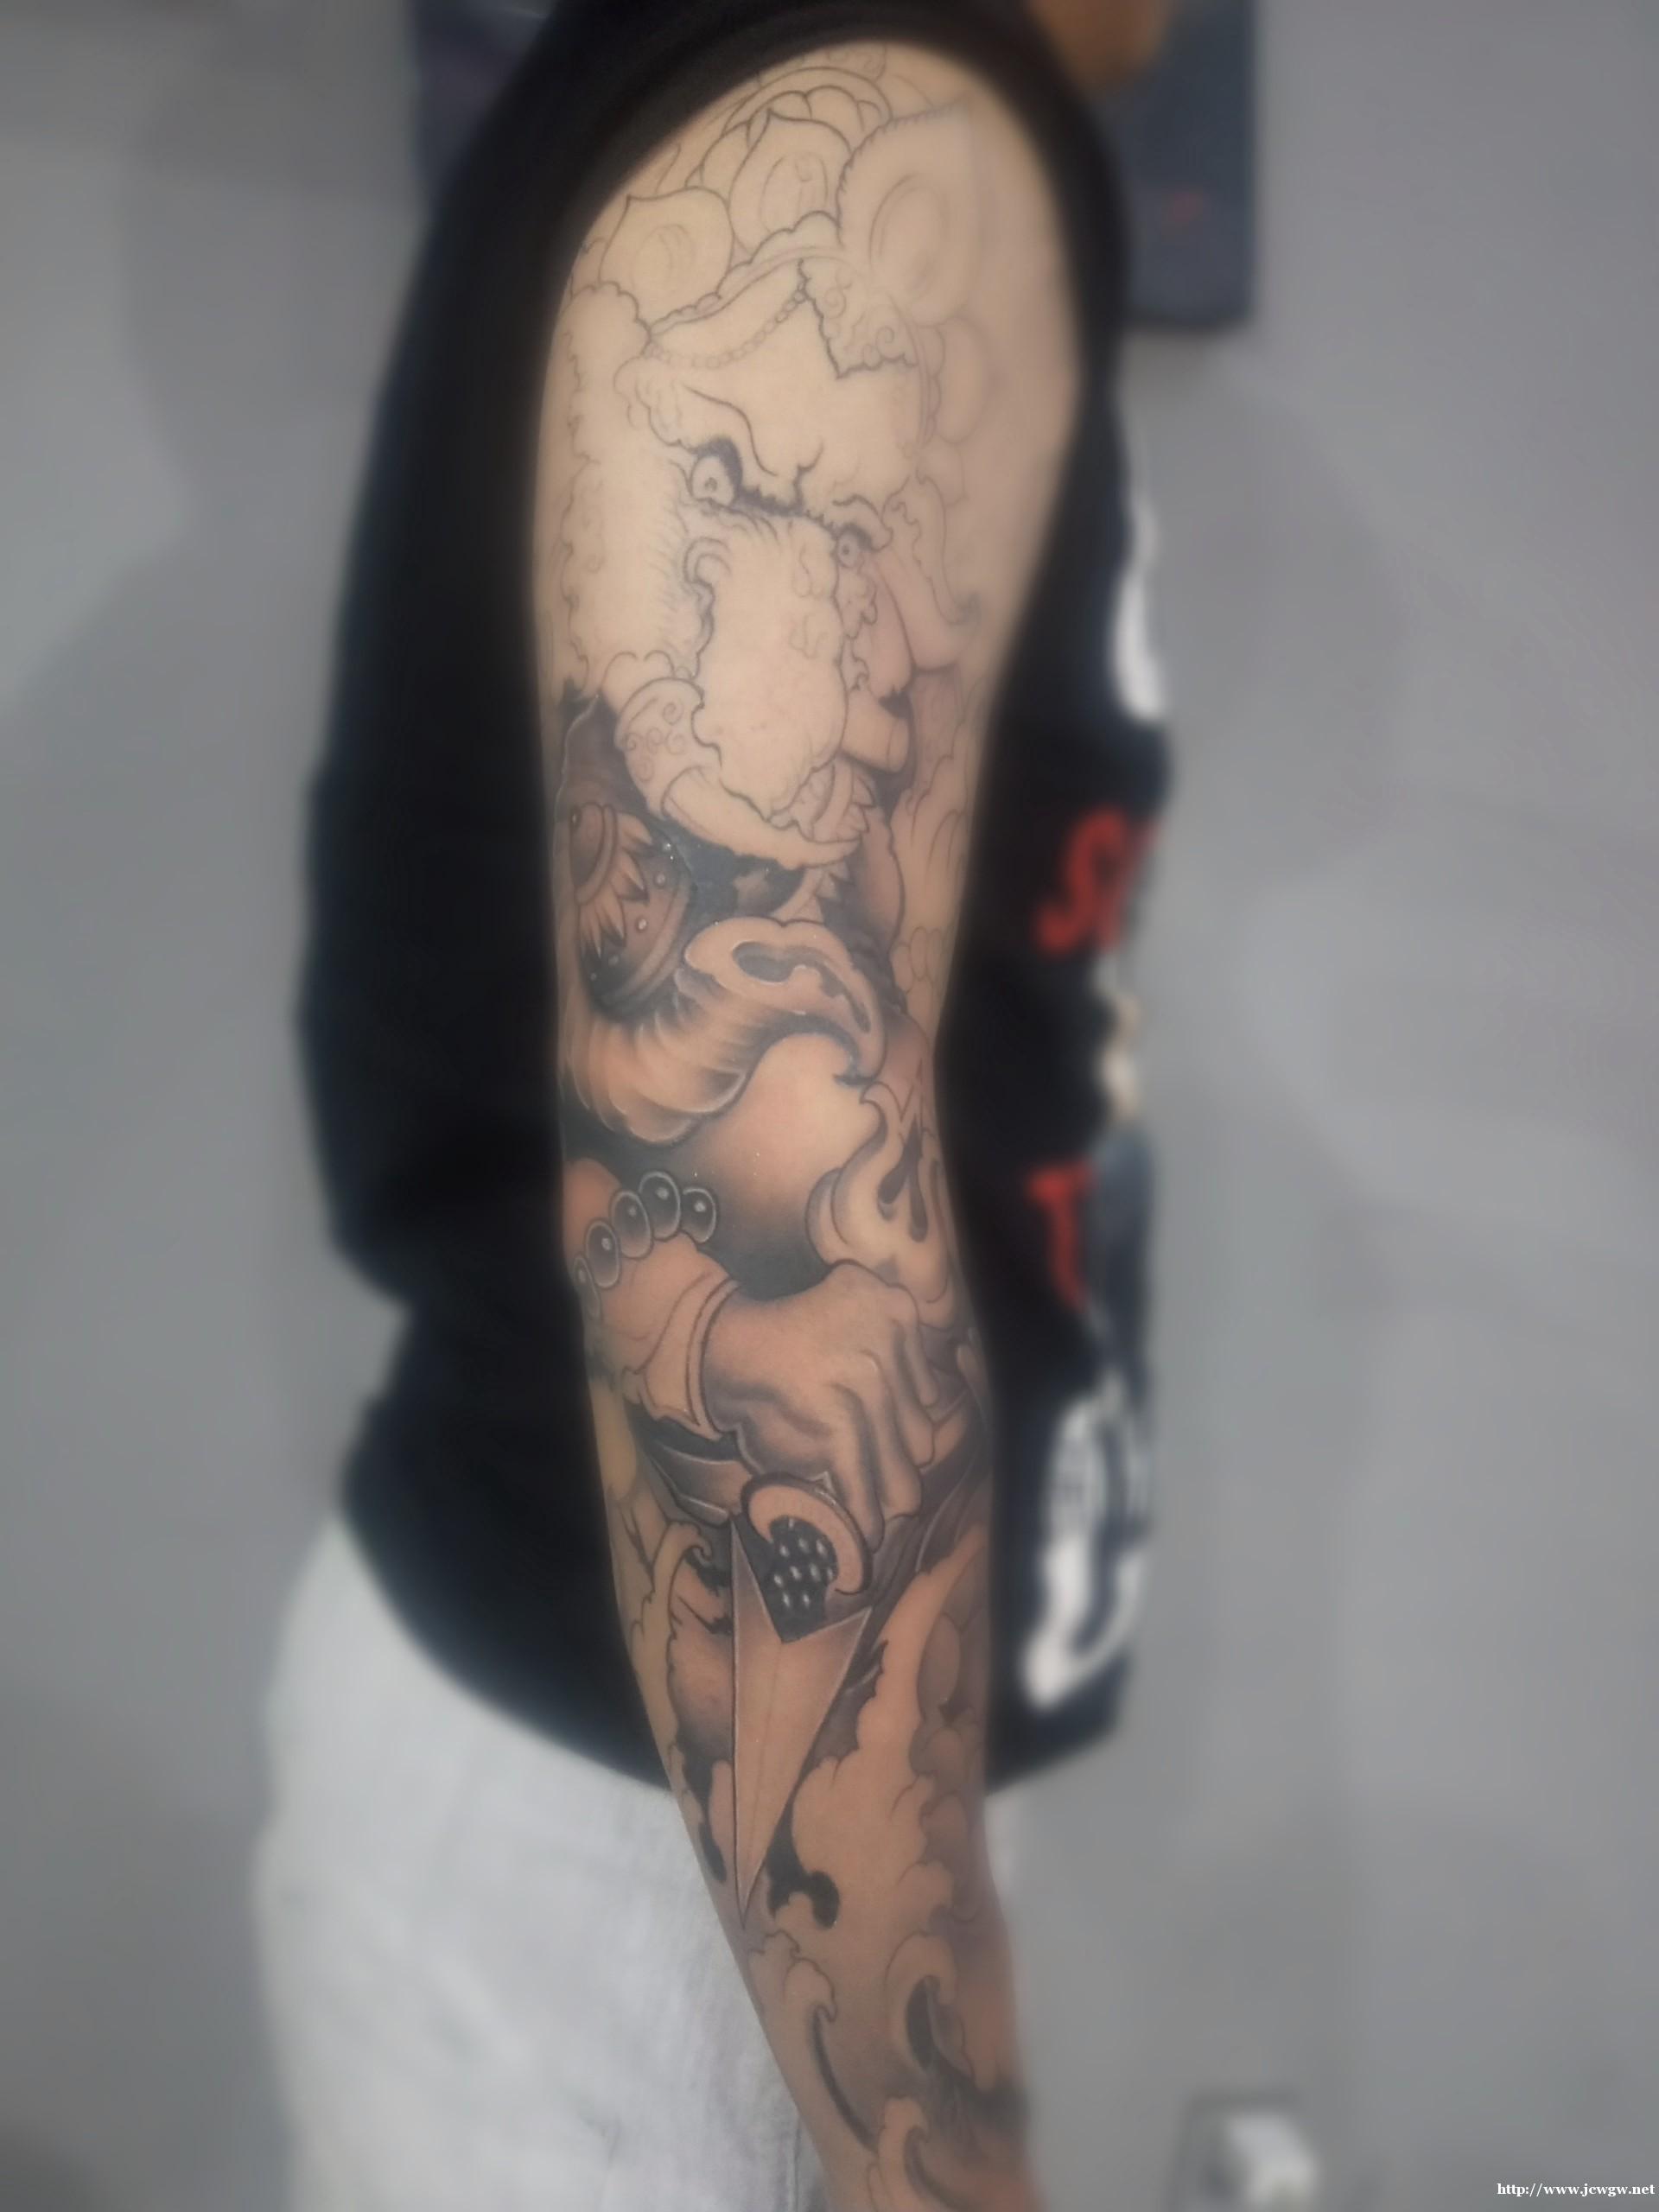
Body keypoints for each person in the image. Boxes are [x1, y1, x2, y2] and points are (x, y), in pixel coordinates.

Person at [263, 3, 1173, 2208]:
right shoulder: (869, 144)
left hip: (749, 1808)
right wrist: (942, 2164)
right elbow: (763, 1228)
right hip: (667, 1839)